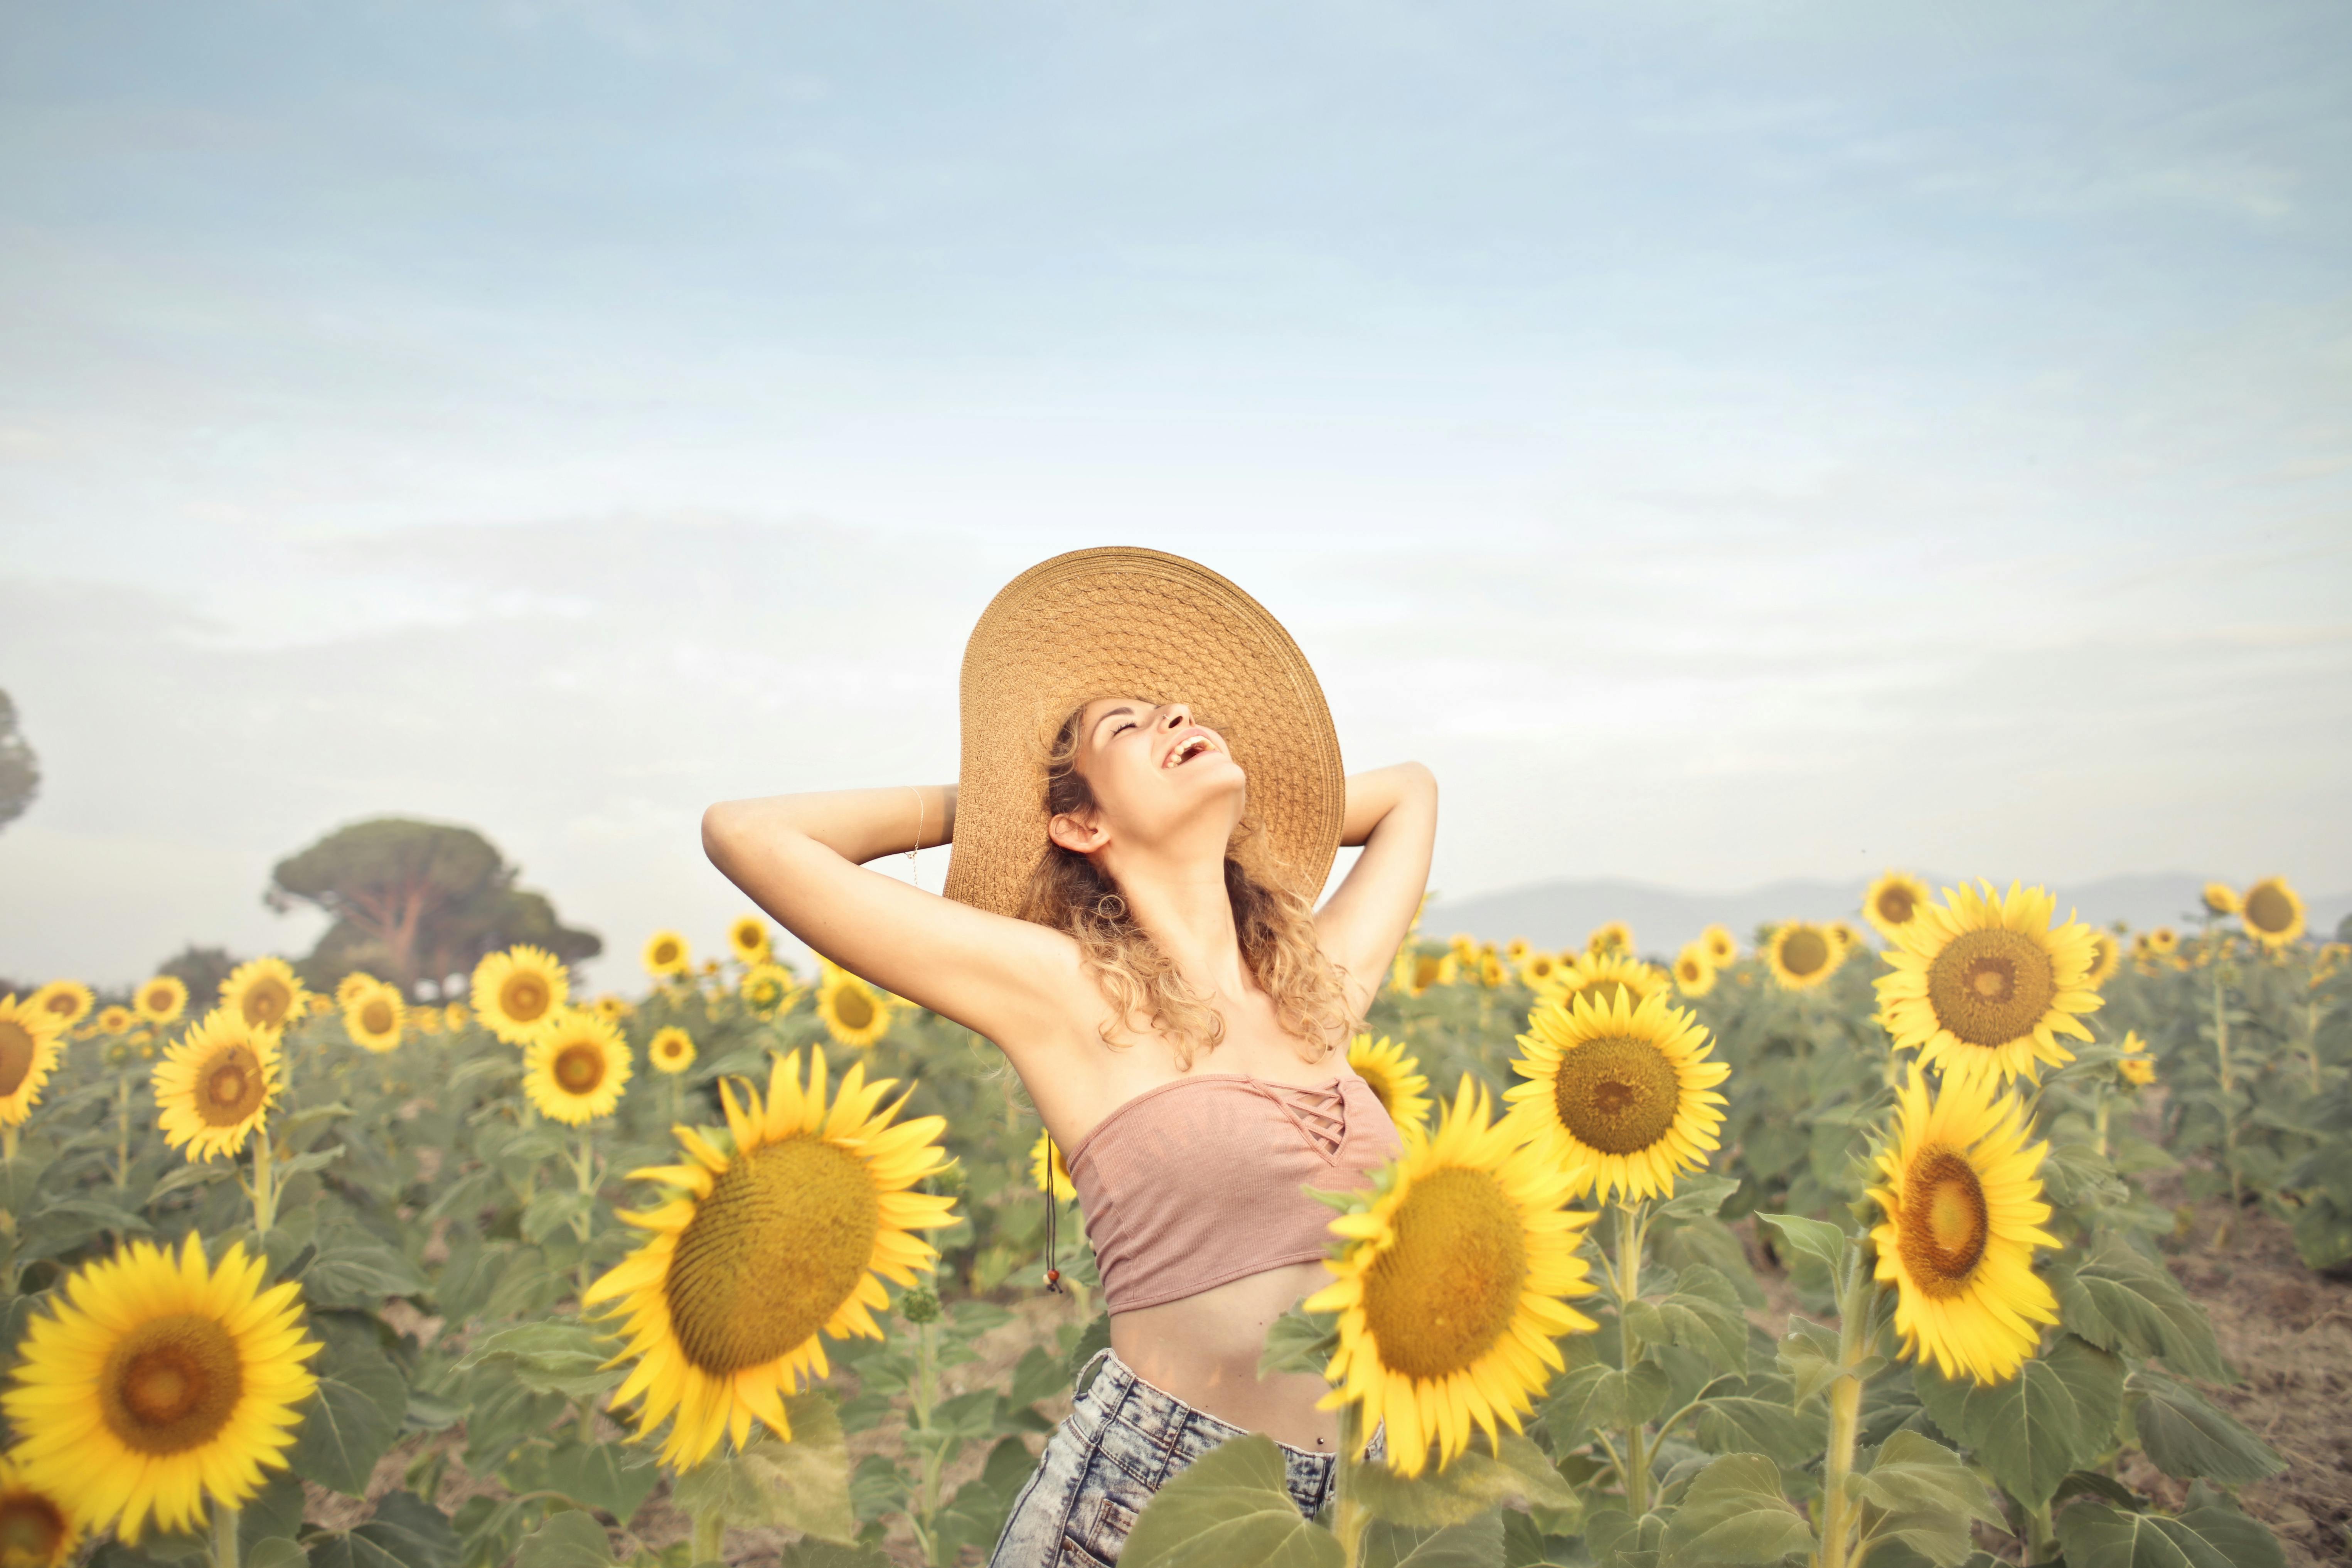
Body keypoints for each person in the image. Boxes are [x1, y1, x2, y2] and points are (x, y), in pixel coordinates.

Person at [701, 547, 1437, 1565]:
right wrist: (999, 811)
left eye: (1184, 714)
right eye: (1129, 726)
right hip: (1156, 1493)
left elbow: (1409, 791)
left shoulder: (1313, 993)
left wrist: (1243, 798)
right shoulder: (1062, 991)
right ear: (1079, 818)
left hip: (1361, 1496)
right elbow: (748, 831)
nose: (1178, 720)